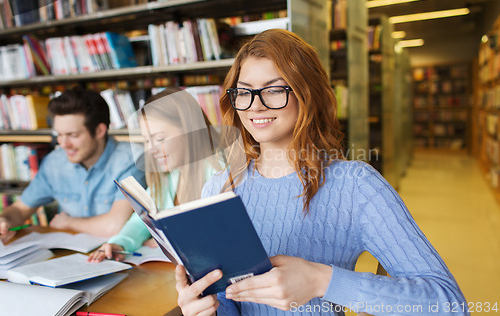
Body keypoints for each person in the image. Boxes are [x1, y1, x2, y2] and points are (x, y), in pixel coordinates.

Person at [175, 29, 468, 316]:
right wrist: (203, 309)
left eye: (274, 89)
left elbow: (449, 304)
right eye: (245, 91)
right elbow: (228, 301)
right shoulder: (218, 189)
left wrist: (321, 281)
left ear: (308, 93)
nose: (256, 105)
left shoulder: (355, 186)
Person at [88, 88, 222, 262]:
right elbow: (142, 220)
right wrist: (120, 244)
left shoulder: (220, 172)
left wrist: (169, 238)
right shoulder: (166, 178)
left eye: (159, 139)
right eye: (146, 141)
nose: (151, 150)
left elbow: (218, 231)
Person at [0, 87, 146, 242]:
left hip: (119, 252)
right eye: (59, 135)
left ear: (99, 131)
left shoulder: (132, 160)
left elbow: (115, 226)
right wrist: (5, 221)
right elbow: (20, 210)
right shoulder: (54, 162)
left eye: (72, 135)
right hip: (72, 252)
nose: (63, 144)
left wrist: (68, 222)